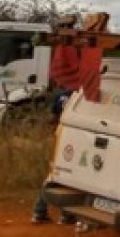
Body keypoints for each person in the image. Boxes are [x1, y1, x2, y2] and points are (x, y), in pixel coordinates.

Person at [31, 85, 75, 225]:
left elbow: (52, 118)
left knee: (56, 173)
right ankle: (65, 214)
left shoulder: (60, 95)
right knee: (70, 175)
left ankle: (40, 211)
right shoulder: (80, 94)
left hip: (60, 134)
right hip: (75, 138)